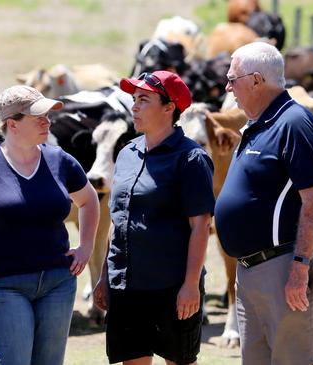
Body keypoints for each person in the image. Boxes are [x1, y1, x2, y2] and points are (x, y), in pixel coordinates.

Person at [214, 41, 313, 365]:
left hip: (285, 269)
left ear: (256, 80)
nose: (227, 87)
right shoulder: (259, 124)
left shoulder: (294, 124)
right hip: (255, 270)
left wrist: (299, 269)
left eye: (233, 79)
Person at [0, 85, 100, 365]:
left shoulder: (60, 159)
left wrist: (86, 247)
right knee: (14, 361)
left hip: (58, 282)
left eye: (48, 115)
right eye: (38, 117)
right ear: (12, 124)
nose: (47, 122)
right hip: (2, 284)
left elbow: (89, 201)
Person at [93, 71, 215, 365]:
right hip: (125, 285)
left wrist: (189, 284)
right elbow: (117, 218)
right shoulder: (126, 154)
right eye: (134, 99)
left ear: (169, 107)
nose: (134, 106)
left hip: (171, 285)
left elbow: (200, 226)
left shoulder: (191, 159)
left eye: (143, 99)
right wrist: (103, 278)